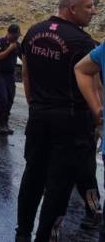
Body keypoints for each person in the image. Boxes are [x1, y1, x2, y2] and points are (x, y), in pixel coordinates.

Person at [15, 0, 98, 242]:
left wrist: (34, 105)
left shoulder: (33, 32)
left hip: (39, 117)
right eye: (88, 7)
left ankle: (22, 235)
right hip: (71, 123)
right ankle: (44, 237)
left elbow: (26, 73)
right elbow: (95, 86)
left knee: (32, 178)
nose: (93, 11)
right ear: (72, 9)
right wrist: (97, 118)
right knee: (58, 187)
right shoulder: (83, 43)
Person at [74, 38, 105, 234]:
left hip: (79, 118)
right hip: (80, 118)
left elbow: (96, 84)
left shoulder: (88, 48)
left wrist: (99, 114)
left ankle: (94, 210)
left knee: (85, 171)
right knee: (84, 171)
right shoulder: (85, 45)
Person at [0, 24, 22, 135]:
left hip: (10, 75)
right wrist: (10, 48)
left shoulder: (17, 45)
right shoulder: (1, 42)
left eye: (18, 36)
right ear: (9, 33)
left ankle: (5, 124)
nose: (16, 38)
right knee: (3, 98)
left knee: (10, 98)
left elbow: (24, 58)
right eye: (15, 36)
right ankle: (0, 125)